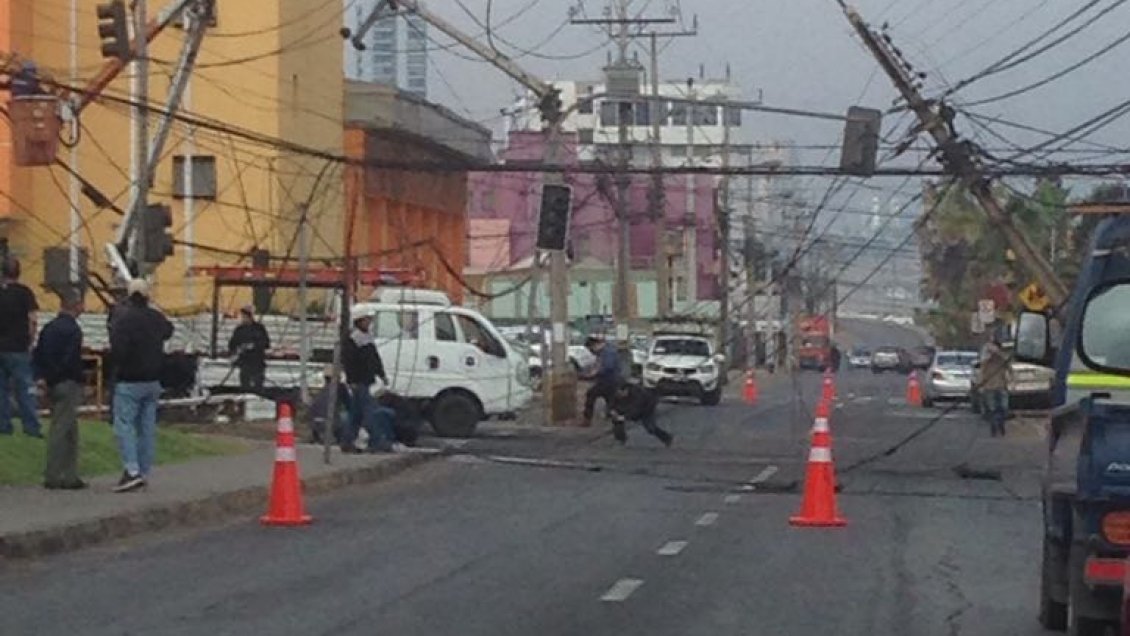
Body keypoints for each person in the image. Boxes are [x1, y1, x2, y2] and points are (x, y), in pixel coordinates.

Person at [108, 278, 173, 492]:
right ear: (147, 297)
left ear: (129, 296)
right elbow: (168, 330)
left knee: (124, 425)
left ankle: (132, 470)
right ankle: (144, 472)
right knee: (147, 429)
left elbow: (117, 350)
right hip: (153, 379)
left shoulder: (124, 320)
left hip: (129, 379)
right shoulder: (156, 318)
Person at [34, 290, 87, 489]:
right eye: (81, 304)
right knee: (61, 429)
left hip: (51, 382)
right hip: (67, 382)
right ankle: (54, 475)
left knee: (71, 429)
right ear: (75, 305)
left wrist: (42, 378)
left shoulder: (48, 328)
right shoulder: (73, 330)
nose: (84, 308)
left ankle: (71, 475)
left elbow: (38, 354)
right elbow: (71, 359)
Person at [0, 257, 42, 438]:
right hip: (19, 348)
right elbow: (32, 320)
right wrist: (31, 341)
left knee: (1, 390)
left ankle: (3, 425)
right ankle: (31, 427)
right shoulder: (25, 293)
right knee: (25, 389)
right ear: (19, 272)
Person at [342, 315, 392, 453]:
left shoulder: (367, 338)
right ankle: (377, 441)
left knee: (356, 414)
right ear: (359, 321)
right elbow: (349, 362)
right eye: (366, 320)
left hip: (366, 380)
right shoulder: (354, 339)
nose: (369, 323)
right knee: (370, 412)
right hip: (359, 381)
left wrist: (382, 375)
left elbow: (375, 359)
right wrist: (351, 380)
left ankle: (347, 441)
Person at [608, 381, 673, 447]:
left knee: (650, 428)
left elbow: (636, 410)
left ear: (626, 390)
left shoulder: (638, 394)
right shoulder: (616, 394)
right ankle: (621, 439)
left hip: (646, 408)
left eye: (621, 394)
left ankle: (667, 438)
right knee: (616, 419)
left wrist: (624, 417)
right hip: (627, 407)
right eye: (618, 394)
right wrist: (611, 411)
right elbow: (611, 403)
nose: (619, 396)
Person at [227, 305, 270, 392]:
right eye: (242, 316)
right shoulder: (239, 330)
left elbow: (266, 343)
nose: (243, 318)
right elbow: (232, 345)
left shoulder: (259, 328)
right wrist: (236, 351)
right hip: (244, 363)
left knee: (258, 387)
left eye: (244, 316)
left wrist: (253, 345)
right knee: (245, 387)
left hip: (257, 363)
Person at [581, 336, 620, 426]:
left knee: (591, 394)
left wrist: (595, 373)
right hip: (610, 380)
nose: (592, 351)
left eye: (591, 349)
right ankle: (614, 418)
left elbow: (608, 366)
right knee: (610, 400)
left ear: (595, 345)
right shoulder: (605, 351)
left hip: (609, 380)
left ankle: (587, 420)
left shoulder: (608, 352)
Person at [980, 340, 1011, 438]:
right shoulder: (986, 360)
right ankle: (994, 427)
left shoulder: (1002, 359)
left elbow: (1009, 368)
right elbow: (982, 370)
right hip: (989, 387)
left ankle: (1000, 425)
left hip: (1001, 386)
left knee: (1003, 408)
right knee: (992, 409)